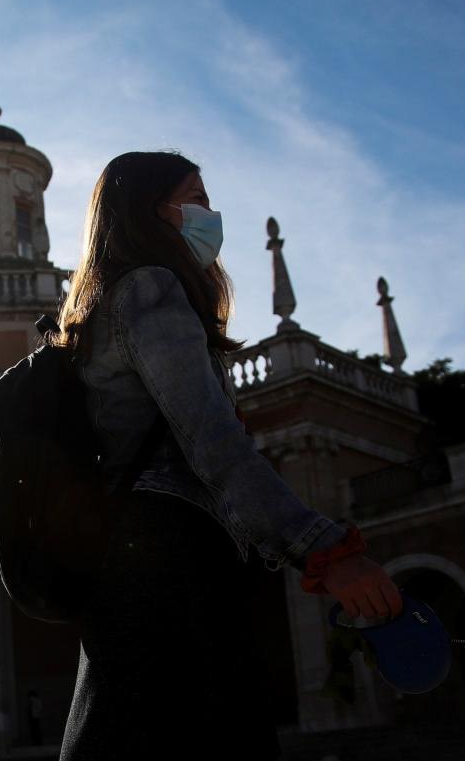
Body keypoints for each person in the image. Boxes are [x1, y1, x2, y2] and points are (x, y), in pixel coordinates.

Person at [52, 151, 402, 761]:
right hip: (170, 551)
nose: (211, 215)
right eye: (197, 199)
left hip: (124, 556)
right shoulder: (150, 288)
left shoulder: (98, 309)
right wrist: (326, 551)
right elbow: (213, 440)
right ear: (153, 210)